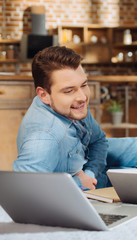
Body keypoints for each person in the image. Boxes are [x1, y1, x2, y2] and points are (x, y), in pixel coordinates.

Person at [13, 46, 108, 190]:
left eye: (84, 85)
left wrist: (89, 174)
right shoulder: (43, 139)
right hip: (71, 193)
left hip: (86, 165)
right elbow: (24, 191)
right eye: (69, 91)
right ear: (44, 95)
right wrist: (79, 183)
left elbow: (99, 140)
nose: (82, 97)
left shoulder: (72, 106)